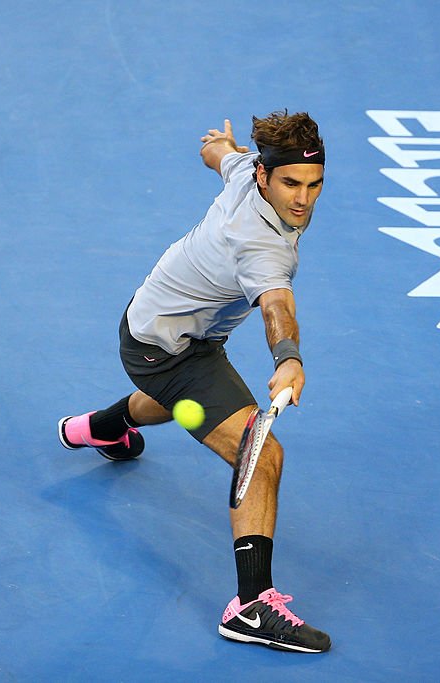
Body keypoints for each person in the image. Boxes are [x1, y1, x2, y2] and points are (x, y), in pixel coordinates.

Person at [57, 111, 330, 653]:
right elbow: (276, 304)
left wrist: (221, 147)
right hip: (169, 351)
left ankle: (101, 429)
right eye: (291, 184)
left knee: (187, 402)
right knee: (263, 453)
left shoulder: (247, 170)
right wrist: (289, 358)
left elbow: (220, 159)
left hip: (163, 326)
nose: (302, 199)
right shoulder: (263, 246)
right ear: (266, 178)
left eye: (314, 184)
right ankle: (249, 607)